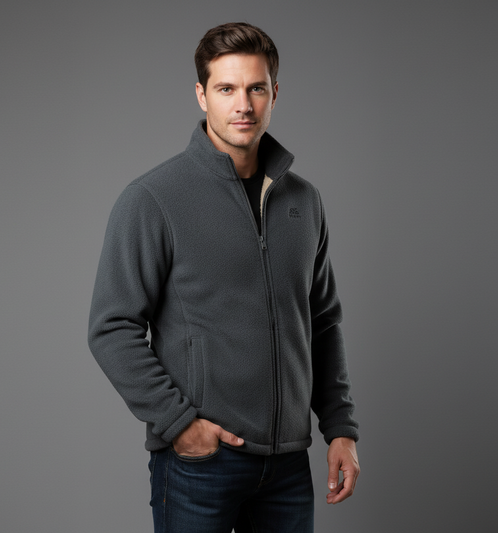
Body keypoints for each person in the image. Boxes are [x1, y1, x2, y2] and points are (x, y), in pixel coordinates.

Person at [88, 22, 360, 533]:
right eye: (226, 89)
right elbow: (111, 327)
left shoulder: (304, 201)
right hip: (200, 464)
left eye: (256, 88)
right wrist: (179, 424)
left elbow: (322, 322)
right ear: (201, 95)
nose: (243, 105)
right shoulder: (154, 199)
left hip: (287, 466)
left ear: (274, 93)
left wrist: (341, 428)